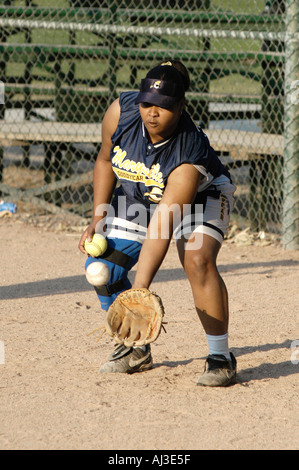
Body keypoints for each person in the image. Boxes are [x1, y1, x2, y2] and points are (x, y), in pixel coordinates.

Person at [78, 60, 237, 387]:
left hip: (201, 198)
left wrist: (141, 289)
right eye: (147, 103)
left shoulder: (186, 155)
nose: (152, 113)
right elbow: (106, 160)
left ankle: (220, 356)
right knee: (102, 266)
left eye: (163, 106)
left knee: (197, 259)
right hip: (141, 194)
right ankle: (135, 348)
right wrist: (98, 215)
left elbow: (162, 227)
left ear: (180, 107)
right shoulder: (121, 113)